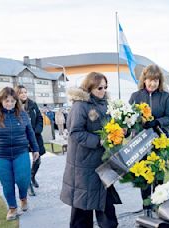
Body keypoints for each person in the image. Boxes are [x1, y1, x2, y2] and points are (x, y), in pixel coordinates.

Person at [61, 72, 121, 228]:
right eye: (99, 88)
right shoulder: (80, 105)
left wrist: (119, 131)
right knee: (82, 207)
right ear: (90, 87)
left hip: (103, 161)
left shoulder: (106, 104)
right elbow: (75, 132)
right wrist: (98, 140)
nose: (103, 91)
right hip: (84, 164)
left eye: (105, 87)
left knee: (106, 204)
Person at [0, 87, 40, 221]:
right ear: (0, 100)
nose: (10, 104)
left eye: (13, 101)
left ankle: (23, 198)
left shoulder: (22, 114)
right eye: (7, 101)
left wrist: (35, 149)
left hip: (21, 153)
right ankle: (12, 208)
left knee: (23, 179)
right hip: (0, 156)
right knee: (7, 183)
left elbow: (30, 132)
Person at [128, 64, 169, 217]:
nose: (152, 83)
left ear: (159, 81)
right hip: (141, 141)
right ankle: (146, 207)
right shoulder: (136, 96)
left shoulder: (165, 96)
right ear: (144, 79)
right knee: (144, 175)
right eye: (150, 80)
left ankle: (159, 205)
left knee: (159, 176)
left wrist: (157, 121)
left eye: (156, 80)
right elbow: (128, 119)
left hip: (160, 141)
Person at [15, 85, 46, 196]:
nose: (24, 94)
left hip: (35, 136)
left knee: (37, 160)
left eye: (25, 92)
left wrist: (37, 130)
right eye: (21, 93)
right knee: (24, 163)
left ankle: (32, 176)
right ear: (17, 94)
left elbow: (39, 118)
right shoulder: (14, 106)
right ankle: (28, 185)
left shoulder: (33, 104)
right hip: (22, 138)